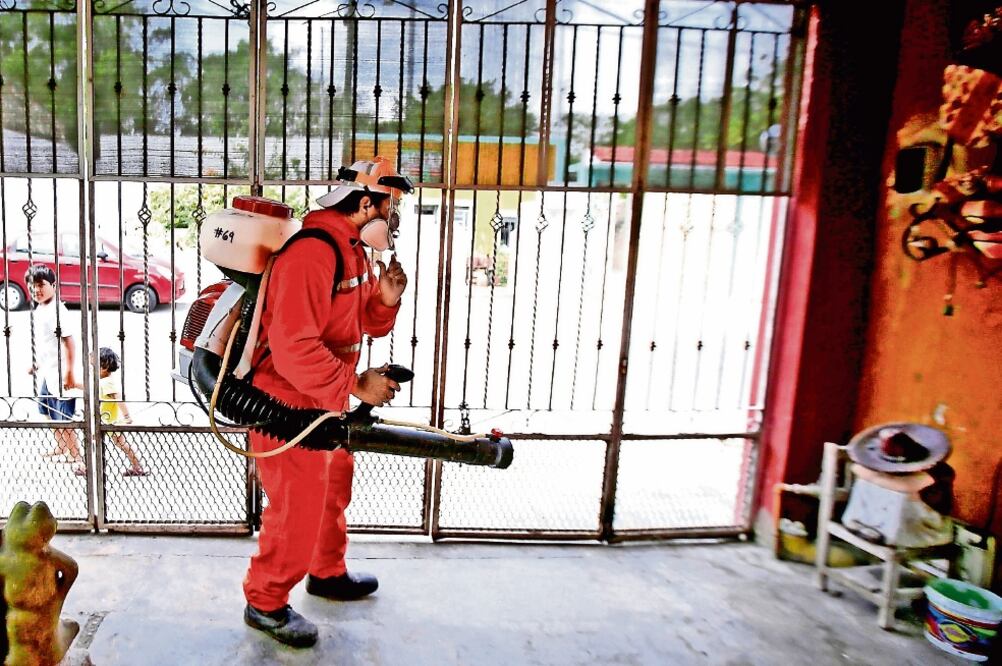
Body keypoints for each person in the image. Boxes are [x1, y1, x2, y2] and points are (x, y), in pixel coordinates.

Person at [242, 157, 412, 648]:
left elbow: (361, 325)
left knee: (333, 492)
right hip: (286, 408)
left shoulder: (352, 250)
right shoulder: (312, 253)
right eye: (389, 205)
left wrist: (385, 299)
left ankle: (326, 573)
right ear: (365, 203)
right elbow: (294, 348)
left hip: (324, 400)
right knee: (297, 508)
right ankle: (265, 601)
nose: (392, 216)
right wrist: (357, 386)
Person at [25, 264, 84, 476]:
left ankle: (78, 459)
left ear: (53, 285)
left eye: (41, 285)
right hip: (48, 372)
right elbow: (47, 343)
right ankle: (61, 447)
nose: (37, 290)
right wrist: (37, 364)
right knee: (47, 411)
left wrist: (69, 373)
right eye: (33, 287)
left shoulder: (58, 311)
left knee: (64, 418)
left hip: (61, 375)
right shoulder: (41, 309)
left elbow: (69, 343)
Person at [97, 347, 148, 477]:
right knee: (117, 443)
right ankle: (137, 466)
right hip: (105, 419)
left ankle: (137, 466)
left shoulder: (107, 382)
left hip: (110, 420)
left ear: (103, 367)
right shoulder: (102, 381)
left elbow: (118, 399)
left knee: (122, 444)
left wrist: (127, 416)